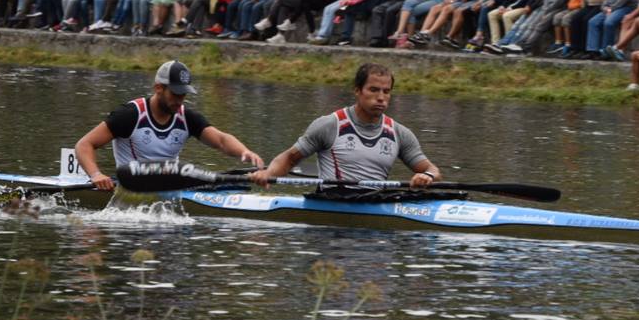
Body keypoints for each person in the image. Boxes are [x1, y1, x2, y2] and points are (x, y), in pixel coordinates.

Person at [74, 60, 263, 191]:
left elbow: (221, 140)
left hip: (170, 181)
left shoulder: (186, 117)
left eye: (184, 94)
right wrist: (96, 175)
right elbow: (84, 145)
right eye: (175, 94)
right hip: (133, 182)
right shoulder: (130, 115)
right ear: (159, 88)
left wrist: (244, 152)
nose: (180, 100)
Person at [250, 63, 441, 189]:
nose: (381, 97)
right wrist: (268, 174)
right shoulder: (329, 125)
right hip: (333, 203)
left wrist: (427, 176)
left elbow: (432, 169)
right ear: (357, 91)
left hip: (374, 204)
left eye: (386, 91)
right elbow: (289, 159)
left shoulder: (399, 133)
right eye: (373, 90)